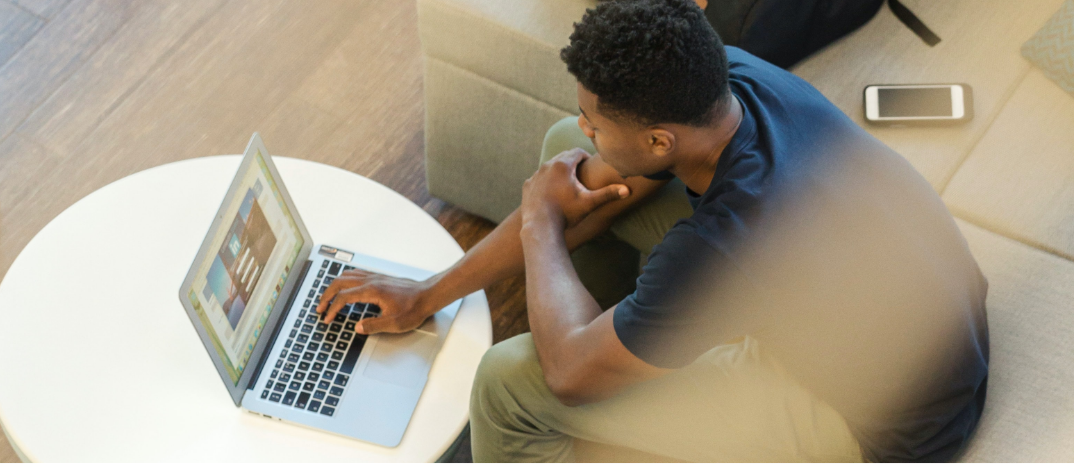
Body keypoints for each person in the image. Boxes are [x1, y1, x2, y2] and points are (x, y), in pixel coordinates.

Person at [318, 0, 989, 462]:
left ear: (663, 137)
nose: (586, 128)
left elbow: (566, 375)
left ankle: (608, 359)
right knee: (572, 162)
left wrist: (543, 226)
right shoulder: (734, 78)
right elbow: (608, 176)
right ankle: (625, 340)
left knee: (509, 382)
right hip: (926, 322)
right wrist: (426, 293)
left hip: (879, 426)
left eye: (596, 119)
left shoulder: (729, 242)